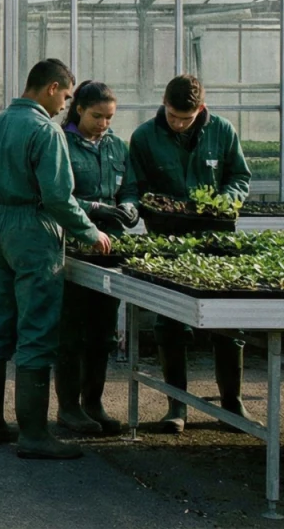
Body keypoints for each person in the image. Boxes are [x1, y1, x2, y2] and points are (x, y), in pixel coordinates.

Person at [0, 58, 110, 460]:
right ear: (51, 88)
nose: (65, 105)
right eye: (66, 97)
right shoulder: (45, 131)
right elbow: (57, 197)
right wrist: (88, 231)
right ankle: (34, 435)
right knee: (36, 332)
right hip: (35, 230)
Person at [129, 74, 251, 434]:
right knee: (170, 322)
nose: (180, 123)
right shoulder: (144, 137)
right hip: (169, 244)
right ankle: (176, 407)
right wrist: (143, 206)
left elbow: (239, 177)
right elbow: (135, 186)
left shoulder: (222, 131)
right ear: (164, 103)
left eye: (187, 117)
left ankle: (232, 403)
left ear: (201, 108)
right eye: (173, 116)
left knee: (229, 321)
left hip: (217, 244)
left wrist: (228, 199)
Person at [57, 81, 138, 436]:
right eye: (96, 116)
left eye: (109, 117)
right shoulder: (61, 143)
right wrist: (95, 207)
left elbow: (130, 187)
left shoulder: (116, 147)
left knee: (102, 332)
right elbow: (60, 194)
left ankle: (94, 402)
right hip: (73, 248)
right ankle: (69, 408)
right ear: (78, 110)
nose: (103, 123)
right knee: (71, 331)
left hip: (110, 249)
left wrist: (130, 206)